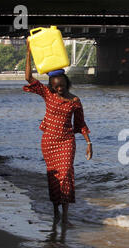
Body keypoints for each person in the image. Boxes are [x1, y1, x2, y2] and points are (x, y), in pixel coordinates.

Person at [23, 39, 92, 225]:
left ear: (66, 83)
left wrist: (88, 143)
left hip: (67, 141)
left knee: (67, 173)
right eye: (56, 86)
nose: (59, 88)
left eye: (62, 85)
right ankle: (56, 212)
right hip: (49, 142)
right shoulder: (48, 94)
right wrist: (29, 53)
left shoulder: (75, 101)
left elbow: (80, 124)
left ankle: (66, 215)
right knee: (53, 176)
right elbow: (29, 78)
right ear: (52, 86)